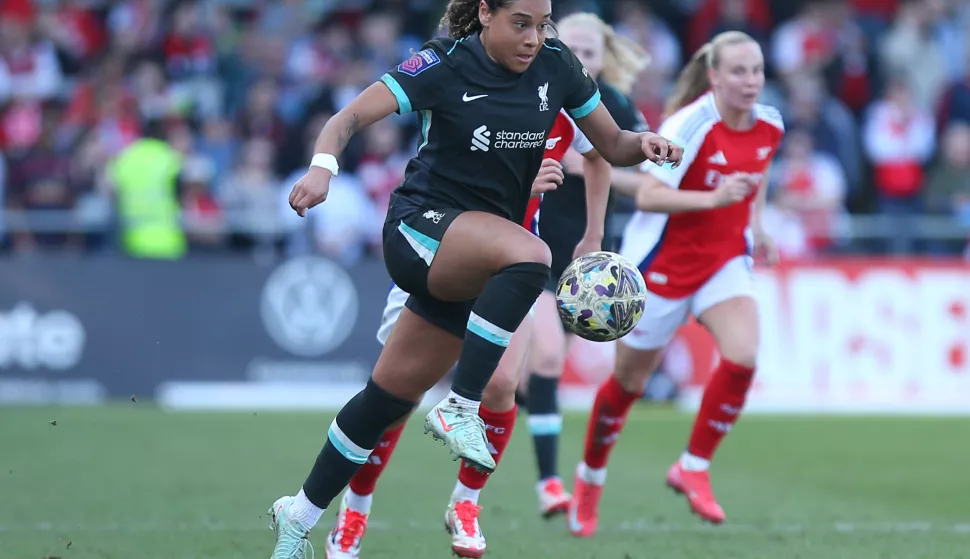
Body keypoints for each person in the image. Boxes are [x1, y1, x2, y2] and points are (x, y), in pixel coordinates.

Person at [268, 0, 683, 556]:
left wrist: (646, 144)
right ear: (485, 13)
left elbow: (612, 144)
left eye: (542, 25)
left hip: (480, 260)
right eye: (521, 23)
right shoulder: (443, 64)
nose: (534, 38)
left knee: (386, 399)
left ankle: (297, 515)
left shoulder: (557, 66)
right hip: (421, 230)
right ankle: (460, 407)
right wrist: (323, 168)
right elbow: (348, 118)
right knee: (533, 255)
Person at [323, 110, 610, 559]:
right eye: (525, 33)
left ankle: (466, 504)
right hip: (442, 259)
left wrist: (594, 233)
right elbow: (444, 182)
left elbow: (602, 154)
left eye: (540, 35)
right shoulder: (469, 90)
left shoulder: (563, 100)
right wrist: (516, 183)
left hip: (514, 270)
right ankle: (355, 509)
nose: (533, 43)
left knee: (501, 386)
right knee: (396, 401)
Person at [567, 30, 784, 537]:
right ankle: (589, 480)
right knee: (628, 387)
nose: (750, 81)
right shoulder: (690, 125)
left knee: (744, 355)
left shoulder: (770, 123)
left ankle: (693, 467)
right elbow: (646, 196)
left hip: (724, 261)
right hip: (663, 266)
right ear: (713, 76)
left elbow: (757, 175)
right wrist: (713, 200)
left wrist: (757, 226)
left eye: (756, 71)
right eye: (738, 71)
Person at [518, 12, 652, 517]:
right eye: (572, 47)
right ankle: (550, 483)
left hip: (587, 262)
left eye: (591, 52)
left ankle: (496, 393)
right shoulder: (534, 93)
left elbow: (635, 168)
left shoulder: (612, 107)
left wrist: (608, 168)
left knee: (534, 376)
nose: (581, 59)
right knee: (548, 357)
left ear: (604, 56)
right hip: (533, 244)